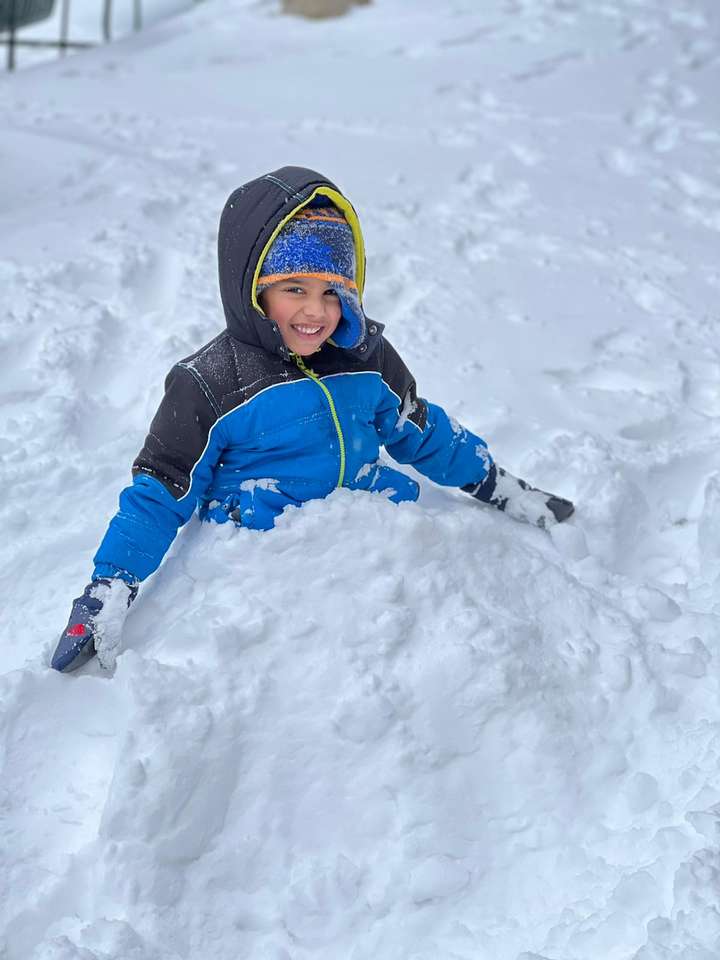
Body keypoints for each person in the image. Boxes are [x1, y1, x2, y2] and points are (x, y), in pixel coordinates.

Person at [51, 165, 574, 673]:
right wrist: (109, 586)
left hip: (387, 563)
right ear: (252, 289)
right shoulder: (209, 384)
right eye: (294, 289)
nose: (316, 312)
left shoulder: (365, 357)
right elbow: (161, 490)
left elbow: (423, 431)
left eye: (332, 292)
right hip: (270, 579)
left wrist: (500, 486)